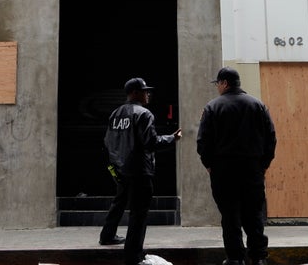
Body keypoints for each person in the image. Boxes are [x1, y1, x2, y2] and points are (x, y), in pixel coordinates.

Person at [197, 67, 277, 265]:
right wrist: (263, 164)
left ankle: (235, 258)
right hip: (252, 168)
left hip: (223, 170)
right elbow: (271, 138)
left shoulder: (212, 107)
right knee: (254, 214)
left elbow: (203, 141)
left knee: (230, 215)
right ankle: (258, 257)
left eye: (218, 84)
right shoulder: (258, 105)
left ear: (224, 83)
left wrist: (209, 165)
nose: (217, 88)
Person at [99, 77, 182, 265]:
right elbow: (151, 142)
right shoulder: (144, 114)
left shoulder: (115, 114)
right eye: (145, 91)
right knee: (138, 214)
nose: (148, 94)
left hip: (121, 169)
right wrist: (172, 138)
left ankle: (107, 235)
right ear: (135, 93)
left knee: (119, 202)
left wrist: (116, 165)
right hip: (139, 171)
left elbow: (107, 142)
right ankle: (133, 255)